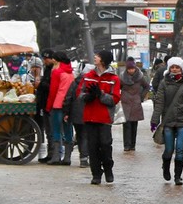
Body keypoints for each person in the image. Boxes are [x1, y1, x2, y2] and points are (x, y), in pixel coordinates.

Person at [151, 57, 183, 185]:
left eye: (177, 67)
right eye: (172, 67)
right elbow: (159, 102)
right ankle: (166, 166)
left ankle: (178, 176)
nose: (174, 69)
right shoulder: (164, 83)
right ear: (169, 68)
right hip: (168, 120)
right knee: (169, 149)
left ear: (181, 68)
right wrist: (155, 120)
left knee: (180, 149)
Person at [77, 51, 121, 185]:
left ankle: (108, 169)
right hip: (90, 117)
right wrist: (87, 97)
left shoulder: (114, 78)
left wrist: (101, 95)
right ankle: (96, 174)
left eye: (97, 56)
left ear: (104, 60)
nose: (94, 57)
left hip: (105, 118)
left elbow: (115, 98)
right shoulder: (88, 76)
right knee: (92, 147)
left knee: (105, 145)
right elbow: (80, 92)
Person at [47, 52, 76, 166]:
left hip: (58, 103)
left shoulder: (56, 72)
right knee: (68, 129)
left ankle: (56, 156)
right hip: (68, 105)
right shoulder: (70, 73)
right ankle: (67, 157)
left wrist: (49, 105)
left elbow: (53, 90)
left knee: (56, 130)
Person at [119, 57, 149, 152]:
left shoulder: (140, 77)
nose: (131, 70)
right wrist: (120, 96)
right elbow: (117, 87)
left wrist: (141, 97)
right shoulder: (122, 77)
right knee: (126, 125)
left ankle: (133, 145)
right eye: (129, 69)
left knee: (134, 125)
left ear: (135, 68)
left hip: (136, 102)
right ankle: (126, 145)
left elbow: (146, 86)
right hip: (126, 103)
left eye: (132, 68)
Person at [35, 52, 57, 163]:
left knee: (52, 130)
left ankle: (53, 155)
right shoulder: (48, 69)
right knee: (48, 131)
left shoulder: (54, 70)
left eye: (46, 59)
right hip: (45, 103)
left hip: (50, 103)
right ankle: (50, 154)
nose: (45, 61)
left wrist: (40, 84)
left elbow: (53, 87)